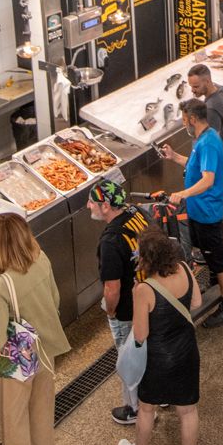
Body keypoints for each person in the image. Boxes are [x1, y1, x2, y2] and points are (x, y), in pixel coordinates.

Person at [0, 212, 72, 445]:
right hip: (45, 349)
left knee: (14, 418)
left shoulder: (2, 285)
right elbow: (55, 300)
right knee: (42, 407)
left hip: (18, 361)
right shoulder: (41, 259)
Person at [117, 229, 203, 445]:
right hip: (186, 350)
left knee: (146, 408)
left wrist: (136, 299)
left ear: (146, 260)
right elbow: (196, 301)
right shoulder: (185, 270)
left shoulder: (144, 289)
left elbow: (141, 334)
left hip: (158, 358)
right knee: (187, 412)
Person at [167, 98, 223, 326]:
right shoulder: (202, 139)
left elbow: (208, 180)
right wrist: (174, 157)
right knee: (206, 252)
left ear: (193, 119)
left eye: (184, 119)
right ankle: (217, 281)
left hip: (207, 213)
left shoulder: (208, 142)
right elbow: (197, 167)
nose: (183, 123)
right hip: (198, 212)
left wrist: (183, 194)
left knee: (217, 257)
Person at [90, 182, 153, 427]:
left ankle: (135, 408)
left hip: (129, 308)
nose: (88, 206)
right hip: (150, 295)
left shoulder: (110, 241)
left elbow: (112, 288)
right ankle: (159, 395)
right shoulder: (136, 213)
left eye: (92, 202)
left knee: (130, 360)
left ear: (105, 206)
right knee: (150, 349)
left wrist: (112, 310)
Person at [185, 64, 223, 155]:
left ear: (207, 81)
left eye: (196, 87)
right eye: (191, 86)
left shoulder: (210, 110)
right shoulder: (220, 90)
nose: (192, 90)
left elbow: (208, 142)